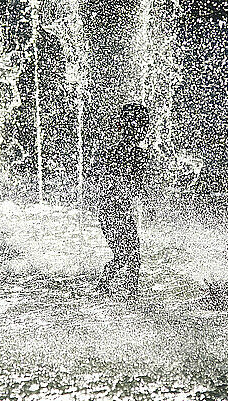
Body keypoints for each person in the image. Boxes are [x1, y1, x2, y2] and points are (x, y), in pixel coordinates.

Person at [91, 103, 150, 297]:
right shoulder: (137, 154)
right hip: (116, 210)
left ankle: (105, 289)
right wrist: (145, 200)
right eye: (142, 125)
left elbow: (104, 180)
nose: (143, 130)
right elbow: (136, 185)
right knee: (131, 257)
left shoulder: (111, 153)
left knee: (125, 256)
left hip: (109, 210)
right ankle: (129, 296)